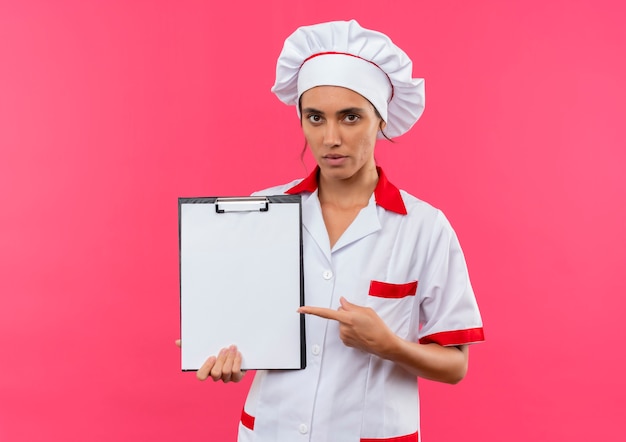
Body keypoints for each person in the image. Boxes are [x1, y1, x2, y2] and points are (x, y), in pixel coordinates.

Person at [179, 19, 484, 442]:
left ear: (381, 120)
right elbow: (249, 325)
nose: (331, 138)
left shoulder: (425, 227)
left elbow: (456, 365)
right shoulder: (261, 211)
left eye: (351, 117)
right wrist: (228, 354)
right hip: (272, 429)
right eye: (315, 118)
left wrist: (387, 344)